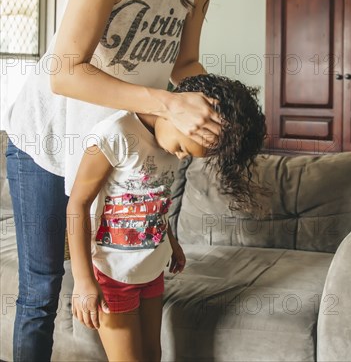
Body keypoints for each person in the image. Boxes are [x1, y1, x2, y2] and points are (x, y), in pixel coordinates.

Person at [4, 0, 265, 361]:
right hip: (45, 137)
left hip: (108, 138)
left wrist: (221, 108)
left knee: (109, 277)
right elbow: (65, 72)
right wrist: (166, 104)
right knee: (41, 289)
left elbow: (185, 65)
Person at [67, 73, 268, 362]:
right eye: (185, 149)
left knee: (153, 356)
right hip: (112, 273)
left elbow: (154, 199)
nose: (183, 157)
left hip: (151, 270)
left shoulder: (169, 147)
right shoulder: (116, 133)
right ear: (185, 114)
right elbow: (78, 204)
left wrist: (170, 241)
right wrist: (83, 280)